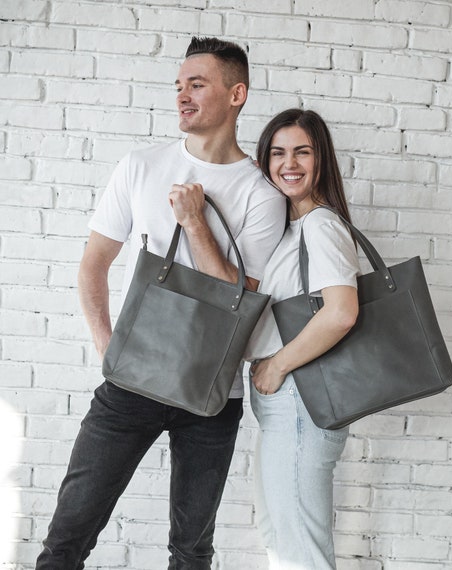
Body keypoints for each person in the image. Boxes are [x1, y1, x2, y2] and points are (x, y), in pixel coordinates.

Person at [36, 37, 286, 570]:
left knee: (192, 552)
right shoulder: (141, 166)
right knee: (66, 538)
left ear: (236, 93)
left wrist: (194, 221)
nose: (182, 96)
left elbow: (241, 303)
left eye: (197, 85)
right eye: (178, 86)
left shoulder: (261, 194)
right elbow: (92, 266)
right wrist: (110, 350)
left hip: (210, 396)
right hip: (130, 383)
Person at [246, 109, 361, 569]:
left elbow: (342, 312)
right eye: (277, 152)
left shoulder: (320, 225)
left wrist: (276, 365)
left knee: (301, 554)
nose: (288, 163)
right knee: (280, 539)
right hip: (288, 406)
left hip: (300, 402)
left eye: (301, 151)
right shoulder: (292, 227)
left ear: (321, 160)